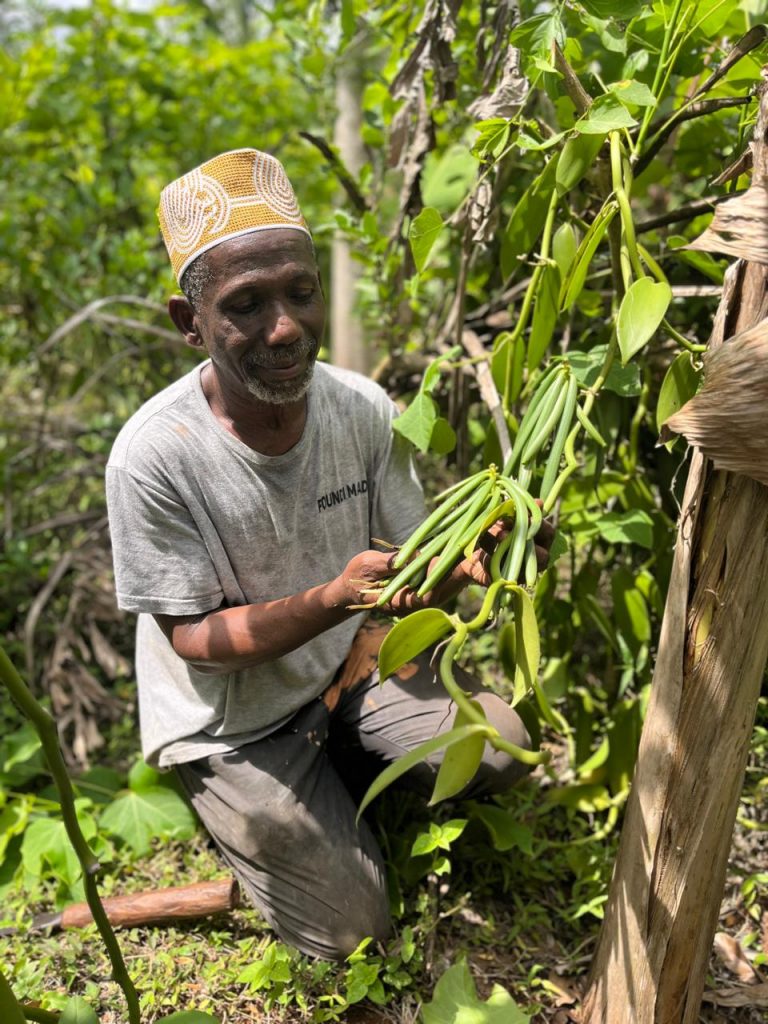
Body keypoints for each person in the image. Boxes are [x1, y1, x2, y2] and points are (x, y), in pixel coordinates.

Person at [106, 148, 545, 961]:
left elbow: (415, 568)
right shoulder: (156, 455)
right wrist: (331, 601)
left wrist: (467, 565)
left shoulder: (361, 409)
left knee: (500, 745)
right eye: (245, 305)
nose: (284, 328)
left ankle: (345, 749)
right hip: (228, 724)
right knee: (353, 930)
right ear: (188, 323)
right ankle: (265, 807)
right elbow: (196, 642)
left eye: (301, 294)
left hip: (346, 670)